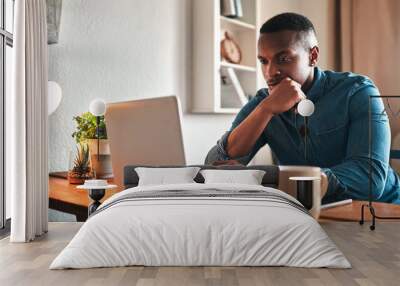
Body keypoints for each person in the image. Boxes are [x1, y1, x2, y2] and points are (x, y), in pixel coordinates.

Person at [205, 12, 400, 204]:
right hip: (308, 211)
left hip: (379, 211)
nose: (270, 72)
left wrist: (271, 177)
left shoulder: (358, 92)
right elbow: (212, 167)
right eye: (264, 61)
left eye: (283, 59)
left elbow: (369, 179)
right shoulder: (264, 103)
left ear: (312, 56)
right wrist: (265, 111)